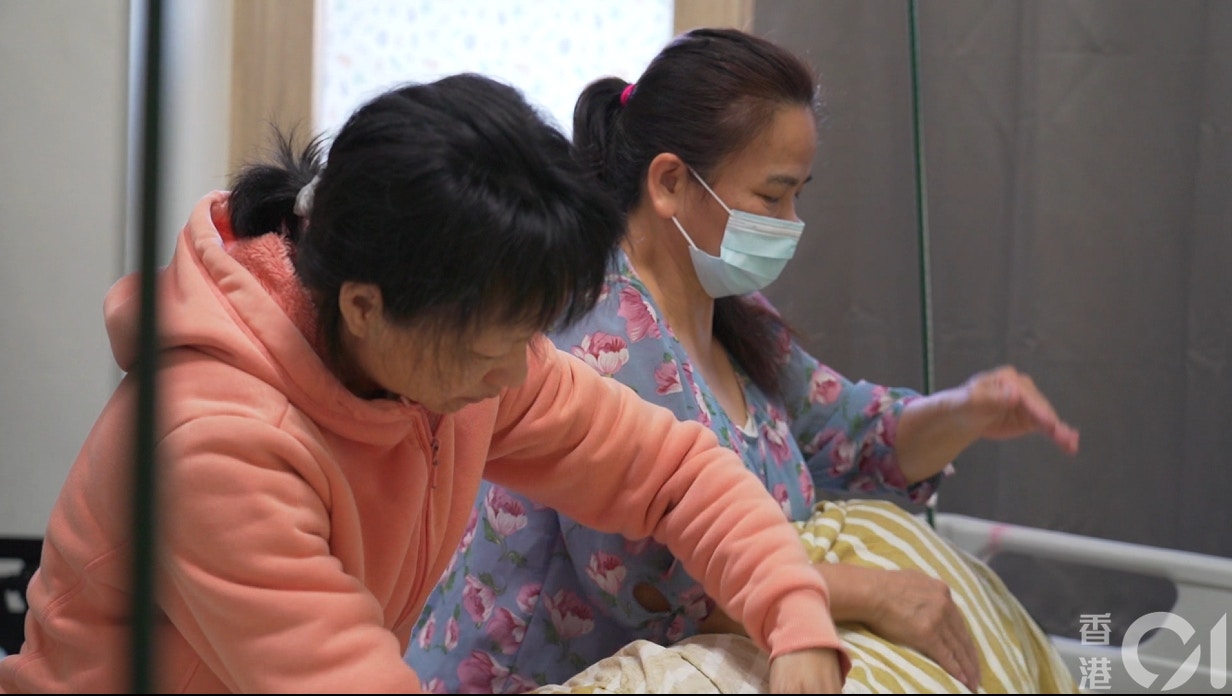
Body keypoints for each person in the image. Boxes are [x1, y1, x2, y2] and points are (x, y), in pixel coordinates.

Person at [0, 73, 851, 694]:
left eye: (525, 338)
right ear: (365, 307)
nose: (515, 374)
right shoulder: (215, 444)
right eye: (489, 351)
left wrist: (795, 616)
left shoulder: (447, 350)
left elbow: (671, 471)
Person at [407, 29, 1080, 694]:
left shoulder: (733, 313)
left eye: (798, 194)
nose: (790, 221)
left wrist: (965, 411)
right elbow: (662, 592)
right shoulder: (605, 343)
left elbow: (850, 434)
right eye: (771, 195)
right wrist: (872, 592)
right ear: (671, 182)